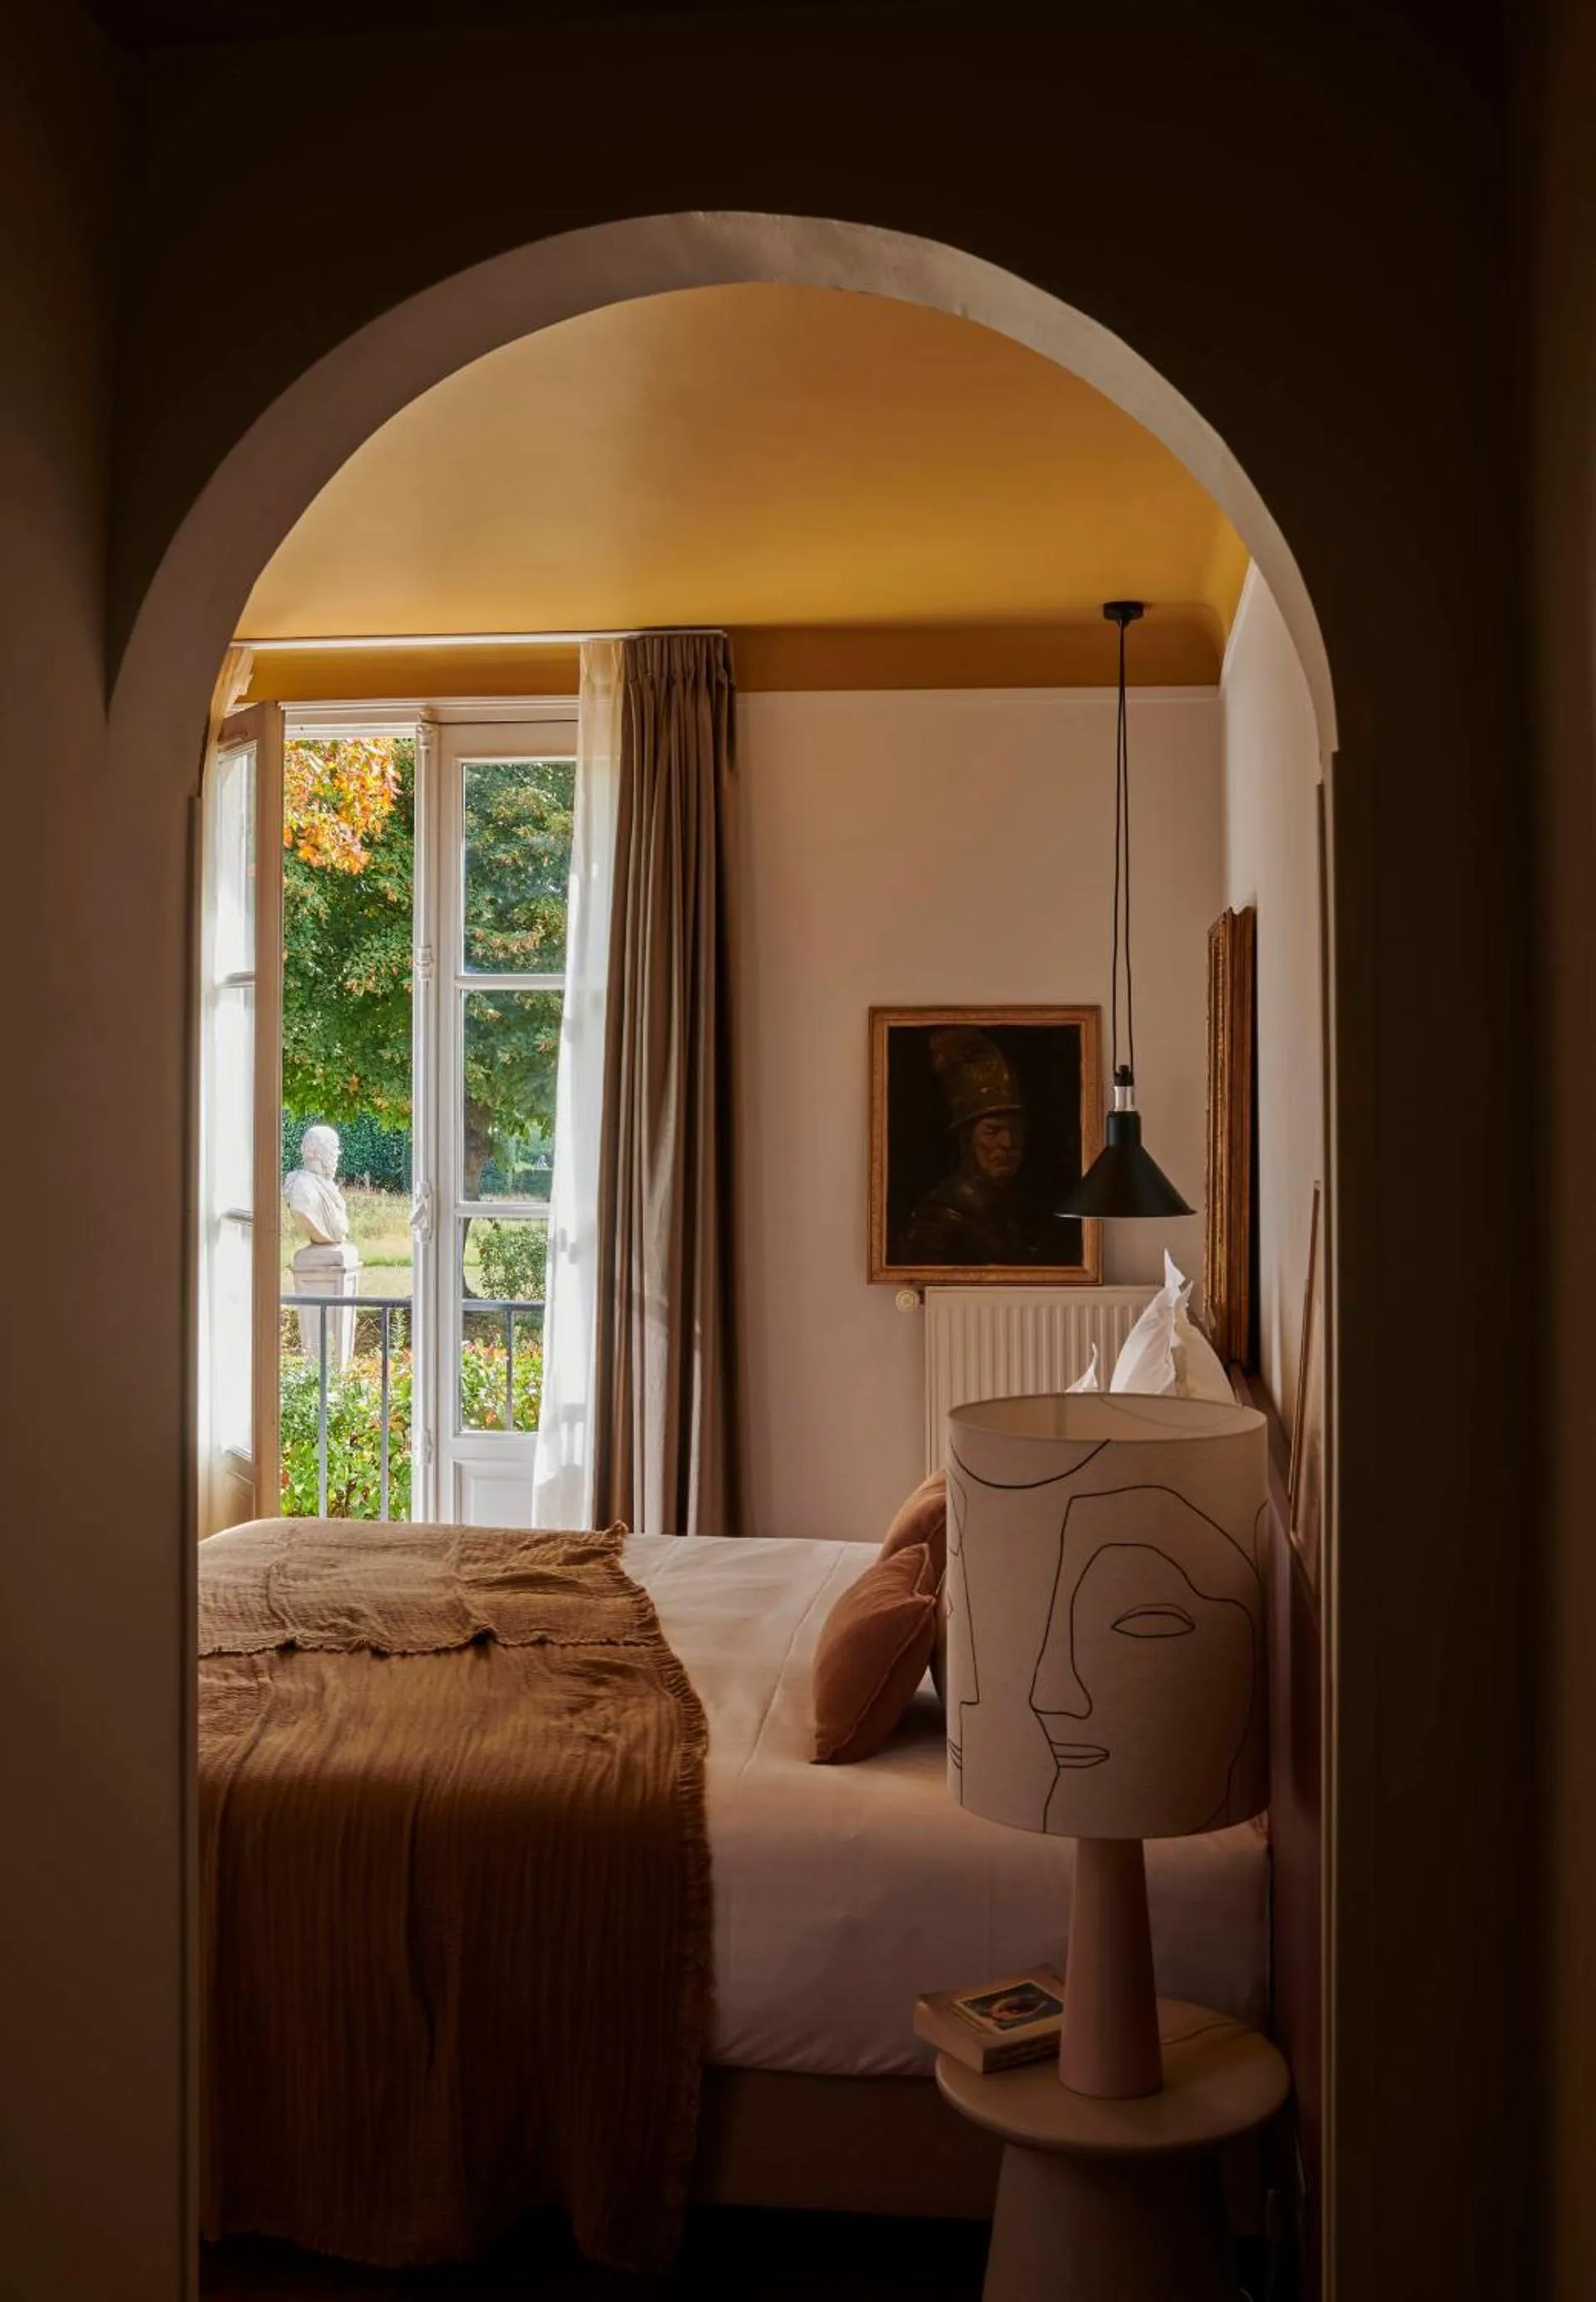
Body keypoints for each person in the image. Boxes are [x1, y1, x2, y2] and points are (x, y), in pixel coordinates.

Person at [900, 1028, 1057, 1266]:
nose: (1007, 1144)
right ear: (968, 1140)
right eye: (992, 1132)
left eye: (1015, 1131)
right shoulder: (939, 1220)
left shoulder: (1028, 1210)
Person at [283, 1123, 352, 1247]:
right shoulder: (302, 1187)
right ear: (320, 1152)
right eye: (334, 1149)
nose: (338, 1153)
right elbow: (302, 1210)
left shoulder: (326, 1185)